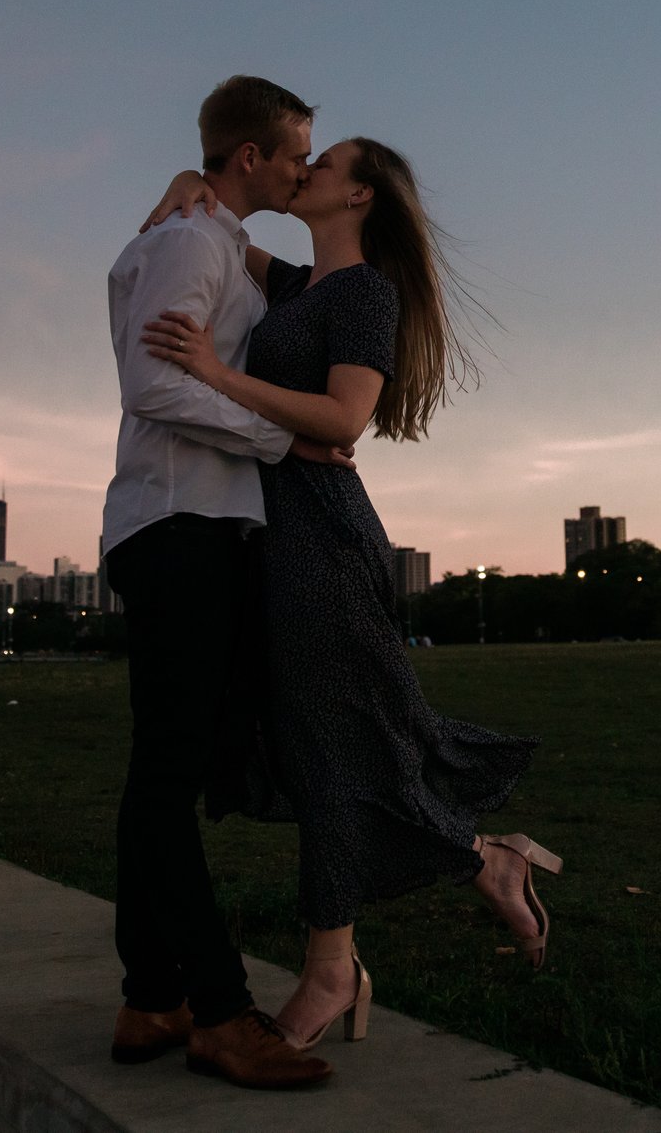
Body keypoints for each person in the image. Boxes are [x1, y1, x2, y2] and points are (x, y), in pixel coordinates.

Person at [141, 132, 558, 1055]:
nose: (305, 170)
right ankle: (480, 861)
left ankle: (343, 961)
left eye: (322, 164)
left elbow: (344, 419)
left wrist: (215, 372)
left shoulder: (367, 293)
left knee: (339, 735)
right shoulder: (297, 286)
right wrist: (188, 182)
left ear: (361, 195)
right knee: (314, 737)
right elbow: (215, 217)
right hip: (272, 530)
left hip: (324, 537)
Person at [100, 76, 345, 1092]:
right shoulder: (194, 237)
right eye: (293, 153)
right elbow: (152, 380)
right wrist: (280, 440)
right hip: (180, 523)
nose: (302, 169)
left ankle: (151, 991)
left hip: (193, 525)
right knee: (170, 774)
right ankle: (219, 1008)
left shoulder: (199, 231)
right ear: (248, 156)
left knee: (164, 767)